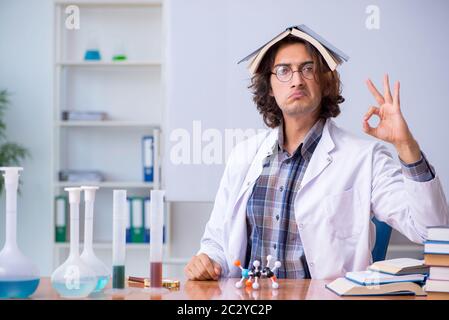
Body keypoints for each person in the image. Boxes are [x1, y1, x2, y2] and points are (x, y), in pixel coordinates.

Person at [184, 34, 449, 280]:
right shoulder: (244, 156)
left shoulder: (364, 158)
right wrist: (207, 261)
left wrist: (406, 146)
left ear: (325, 83)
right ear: (271, 88)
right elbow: (217, 243)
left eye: (307, 69)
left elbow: (430, 230)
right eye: (283, 71)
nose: (296, 80)